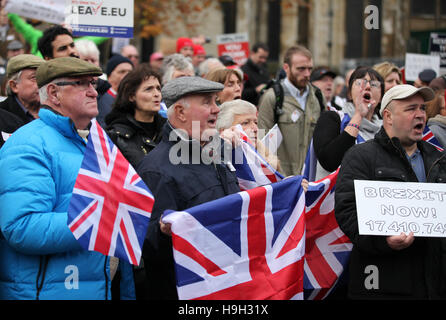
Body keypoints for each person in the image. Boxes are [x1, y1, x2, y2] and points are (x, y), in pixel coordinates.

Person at [0, 57, 135, 299]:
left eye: (93, 83)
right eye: (82, 83)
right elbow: (22, 227)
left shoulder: (97, 141)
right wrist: (99, 219)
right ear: (53, 93)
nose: (94, 92)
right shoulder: (28, 144)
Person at [335, 84, 446, 299]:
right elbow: (347, 212)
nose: (420, 115)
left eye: (422, 108)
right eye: (410, 109)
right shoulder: (361, 157)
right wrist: (383, 241)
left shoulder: (439, 157)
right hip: (384, 282)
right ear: (388, 116)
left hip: (433, 284)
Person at [137, 76, 240, 300]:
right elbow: (147, 245)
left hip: (227, 285)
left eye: (216, 101)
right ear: (181, 113)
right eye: (206, 102)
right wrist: (164, 233)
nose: (216, 109)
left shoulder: (220, 152)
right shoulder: (156, 168)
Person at [258, 45, 323, 176]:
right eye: (301, 69)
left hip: (310, 178)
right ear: (286, 68)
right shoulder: (272, 97)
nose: (307, 74)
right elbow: (261, 141)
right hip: (283, 179)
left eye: (310, 69)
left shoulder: (317, 97)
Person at [312, 66, 384, 180]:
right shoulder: (332, 118)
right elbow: (329, 162)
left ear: (381, 97)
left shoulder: (385, 130)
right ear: (349, 93)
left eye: (374, 84)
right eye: (360, 82)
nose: (368, 86)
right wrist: (358, 115)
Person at [106, 64, 166, 169]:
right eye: (149, 89)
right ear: (131, 96)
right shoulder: (116, 136)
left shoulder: (169, 130)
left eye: (158, 88)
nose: (156, 94)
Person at [0, 54, 44, 123]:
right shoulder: (3, 115)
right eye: (34, 78)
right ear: (14, 86)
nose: (42, 83)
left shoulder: (56, 110)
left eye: (44, 77)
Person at [97, 54, 133, 127]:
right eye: (122, 72)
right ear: (109, 76)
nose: (127, 75)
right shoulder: (101, 99)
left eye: (130, 72)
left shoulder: (134, 100)